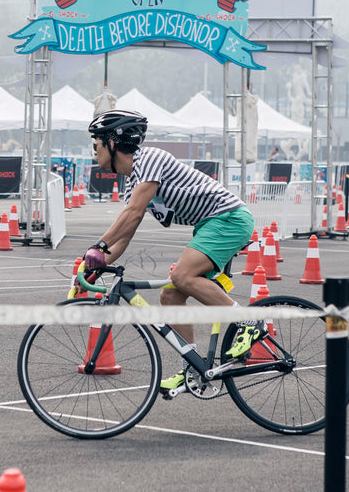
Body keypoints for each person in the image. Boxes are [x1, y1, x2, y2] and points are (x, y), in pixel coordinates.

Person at [80, 109, 262, 396]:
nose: (94, 150)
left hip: (228, 218)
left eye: (97, 143)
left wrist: (99, 247)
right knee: (171, 294)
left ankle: (250, 322)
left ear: (112, 143)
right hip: (209, 225)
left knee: (181, 275)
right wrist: (96, 263)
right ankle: (192, 368)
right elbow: (126, 234)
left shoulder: (149, 158)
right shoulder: (133, 182)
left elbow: (134, 212)